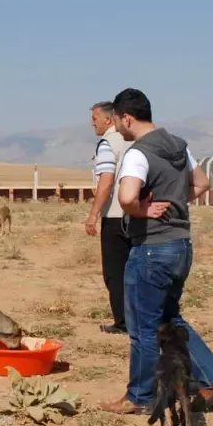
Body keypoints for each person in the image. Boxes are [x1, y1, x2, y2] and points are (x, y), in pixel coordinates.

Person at [98, 88, 213, 416]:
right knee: (169, 318)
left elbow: (128, 197)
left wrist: (144, 210)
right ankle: (212, 378)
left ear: (127, 118)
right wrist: (174, 201)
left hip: (151, 249)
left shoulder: (137, 152)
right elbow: (202, 184)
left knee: (143, 328)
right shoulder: (178, 146)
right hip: (180, 246)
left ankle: (140, 397)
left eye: (117, 122)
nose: (117, 128)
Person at [85, 100, 132, 335]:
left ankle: (123, 322)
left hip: (115, 215)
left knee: (115, 272)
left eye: (94, 119)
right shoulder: (133, 139)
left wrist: (93, 214)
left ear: (108, 119)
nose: (92, 124)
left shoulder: (108, 143)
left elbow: (106, 181)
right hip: (136, 212)